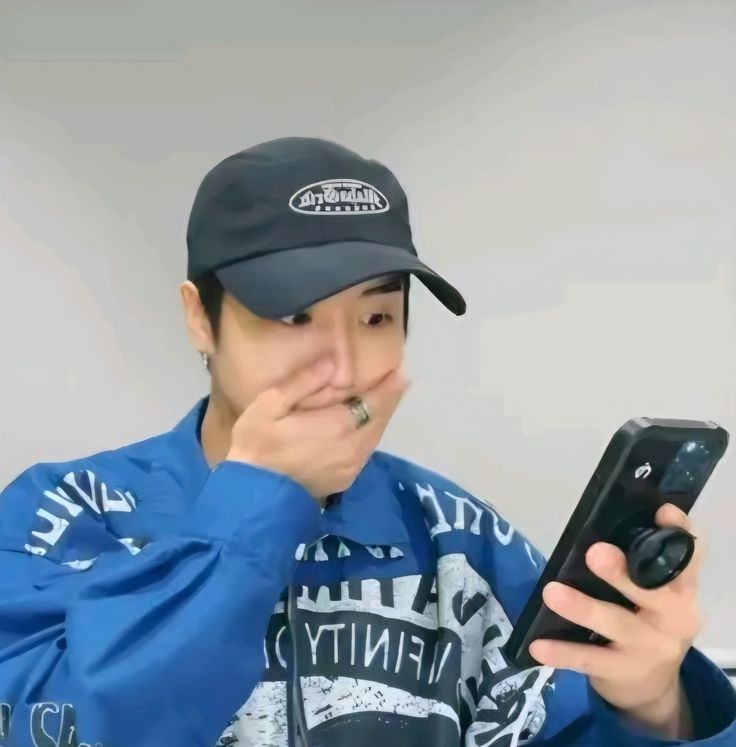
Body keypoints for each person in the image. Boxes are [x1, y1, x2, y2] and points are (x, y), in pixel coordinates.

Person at [0, 137, 733, 747]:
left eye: (376, 318)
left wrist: (652, 706)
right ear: (200, 318)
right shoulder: (66, 516)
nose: (344, 368)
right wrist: (259, 507)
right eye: (294, 317)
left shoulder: (459, 540)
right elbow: (61, 723)